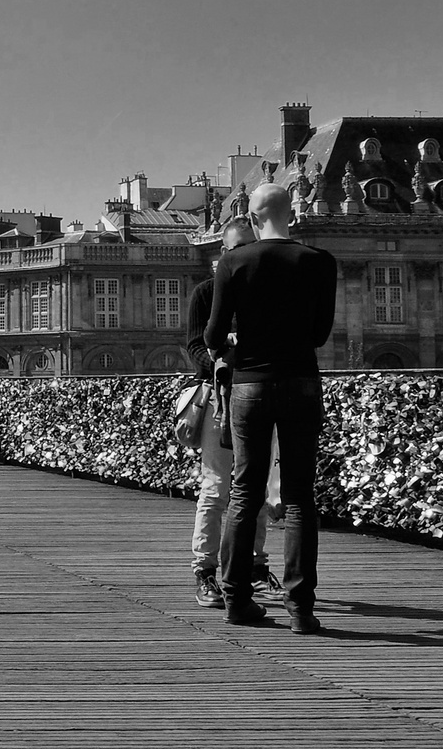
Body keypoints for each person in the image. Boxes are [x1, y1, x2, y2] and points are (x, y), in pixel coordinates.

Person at [206, 183, 337, 635]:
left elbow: (211, 336)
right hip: (301, 381)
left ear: (252, 214)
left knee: (245, 492)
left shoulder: (233, 261)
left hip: (250, 386)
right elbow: (320, 334)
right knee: (300, 497)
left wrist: (242, 343)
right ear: (291, 213)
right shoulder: (319, 262)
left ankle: (236, 600)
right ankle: (300, 608)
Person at [184, 218, 277, 610]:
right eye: (236, 250)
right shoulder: (205, 293)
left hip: (257, 393)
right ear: (222, 254)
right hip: (219, 398)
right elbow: (194, 346)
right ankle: (205, 570)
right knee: (218, 487)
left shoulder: (263, 292)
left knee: (254, 487)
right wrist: (219, 361)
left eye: (248, 249)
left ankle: (253, 564)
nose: (242, 257)